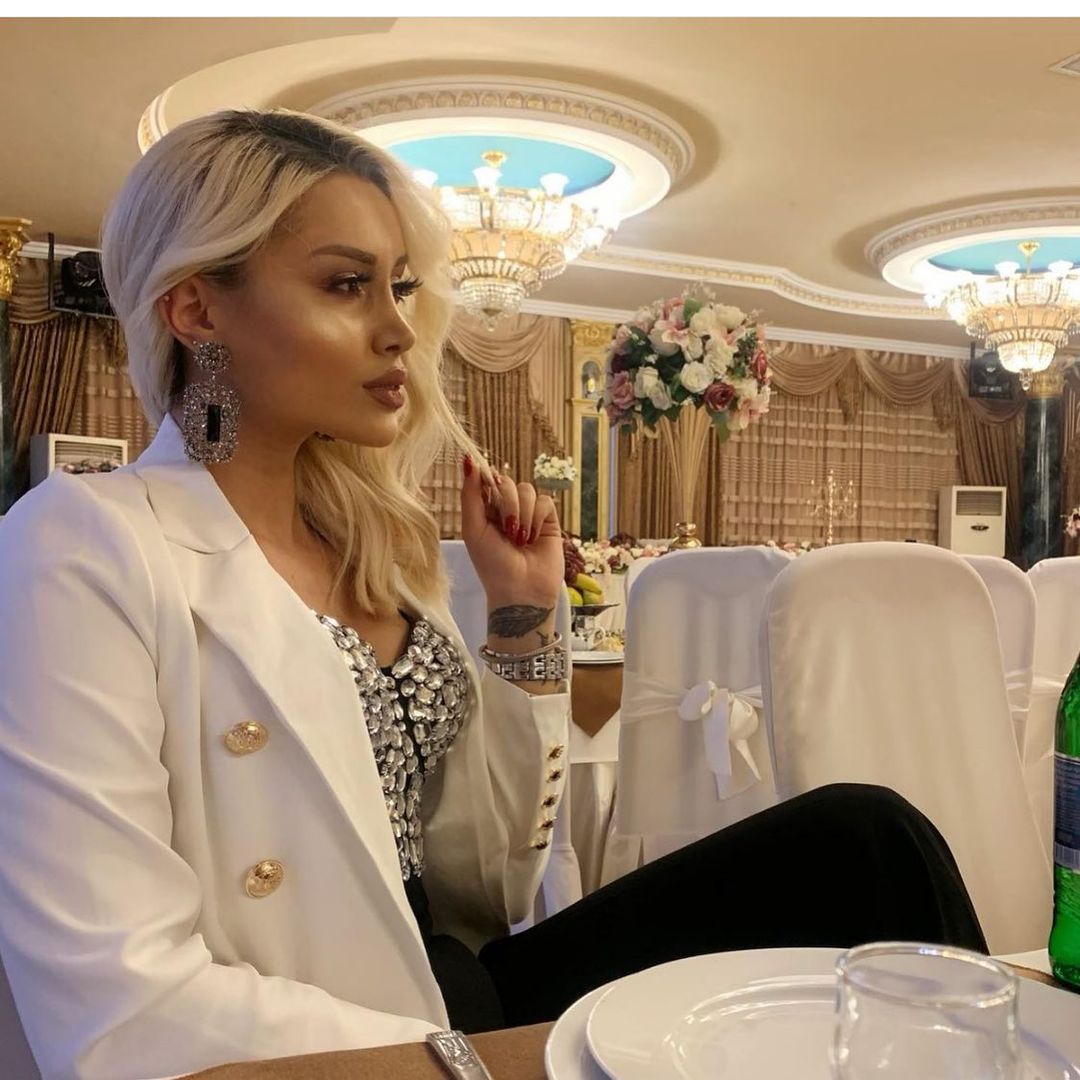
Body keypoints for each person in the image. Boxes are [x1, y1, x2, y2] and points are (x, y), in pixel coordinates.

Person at [0, 110, 986, 1080]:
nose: (398, 328)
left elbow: (486, 883)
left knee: (867, 841)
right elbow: (125, 1013)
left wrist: (520, 616)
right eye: (346, 285)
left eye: (398, 285)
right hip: (332, 1035)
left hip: (452, 978)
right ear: (196, 310)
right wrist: (495, 1063)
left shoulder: (374, 550)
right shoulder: (88, 541)